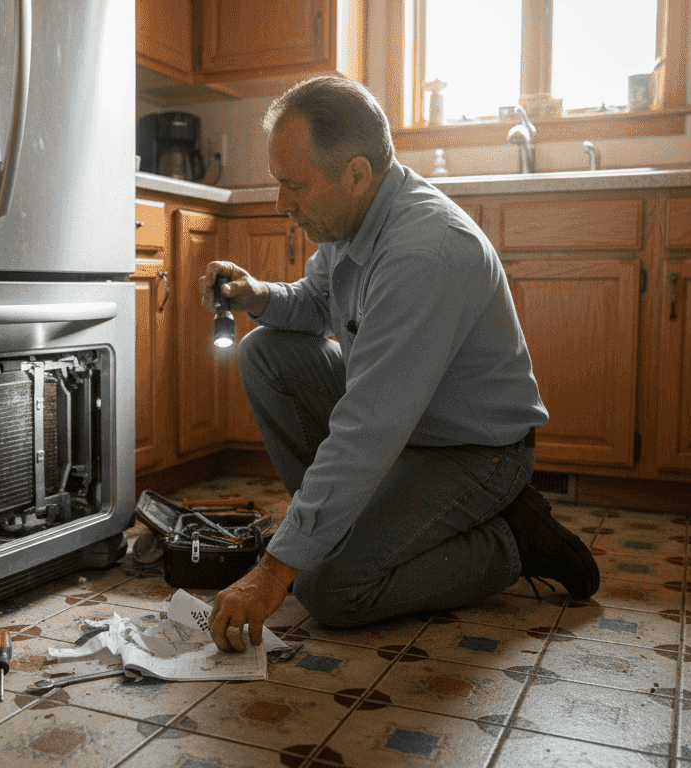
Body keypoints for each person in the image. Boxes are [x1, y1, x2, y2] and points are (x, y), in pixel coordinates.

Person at [200, 76, 600, 653]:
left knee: (329, 589)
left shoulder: (425, 252)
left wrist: (274, 571)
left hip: (474, 452)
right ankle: (334, 528)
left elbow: (367, 430)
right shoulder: (349, 218)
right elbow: (316, 303)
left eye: (295, 186)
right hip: (405, 431)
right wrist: (258, 295)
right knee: (265, 350)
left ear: (356, 173)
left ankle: (513, 541)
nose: (282, 204)